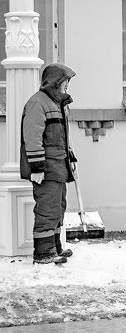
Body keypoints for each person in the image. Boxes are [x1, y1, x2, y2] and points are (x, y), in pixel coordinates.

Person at [21, 63, 77, 265]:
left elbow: (60, 138)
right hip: (46, 168)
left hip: (59, 166)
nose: (67, 85)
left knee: (58, 206)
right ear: (54, 82)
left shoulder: (57, 104)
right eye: (65, 81)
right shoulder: (38, 103)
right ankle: (43, 251)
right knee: (47, 207)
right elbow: (33, 137)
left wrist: (70, 157)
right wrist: (37, 167)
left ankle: (55, 247)